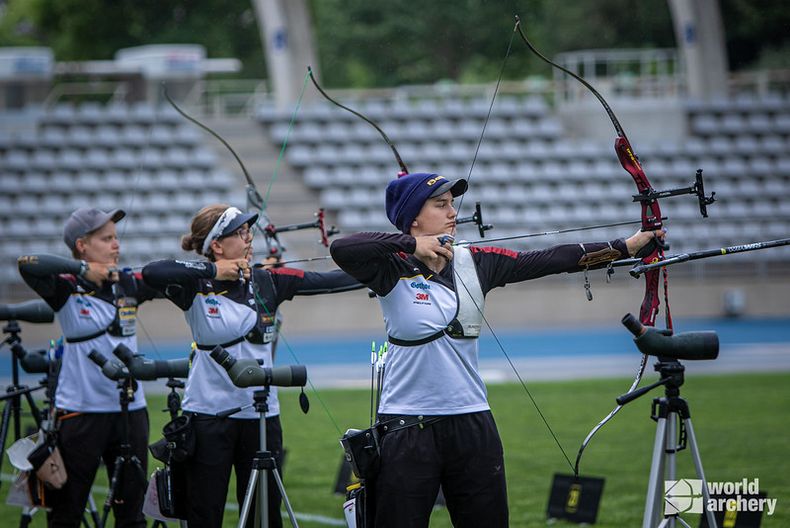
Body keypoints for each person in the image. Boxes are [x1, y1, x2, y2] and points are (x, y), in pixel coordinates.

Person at [329, 172, 665, 528]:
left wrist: (624, 247)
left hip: (472, 422)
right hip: (406, 426)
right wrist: (412, 246)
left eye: (452, 204)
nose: (453, 212)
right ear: (413, 218)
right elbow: (343, 248)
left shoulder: (476, 261)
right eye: (440, 205)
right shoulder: (389, 266)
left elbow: (549, 259)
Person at [141, 204, 362, 528]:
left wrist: (386, 267)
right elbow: (152, 272)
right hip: (208, 418)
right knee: (205, 512)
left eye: (249, 232)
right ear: (216, 245)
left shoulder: (267, 280)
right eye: (240, 233)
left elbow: (327, 281)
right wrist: (215, 272)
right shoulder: (194, 285)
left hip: (261, 418)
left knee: (264, 514)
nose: (249, 238)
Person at [18, 207, 158, 528]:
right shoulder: (65, 286)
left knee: (132, 515)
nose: (116, 245)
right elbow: (27, 264)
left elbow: (165, 275)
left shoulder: (127, 282)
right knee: (67, 512)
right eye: (106, 238)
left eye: (116, 238)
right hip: (81, 412)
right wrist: (83, 270)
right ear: (82, 245)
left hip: (129, 410)